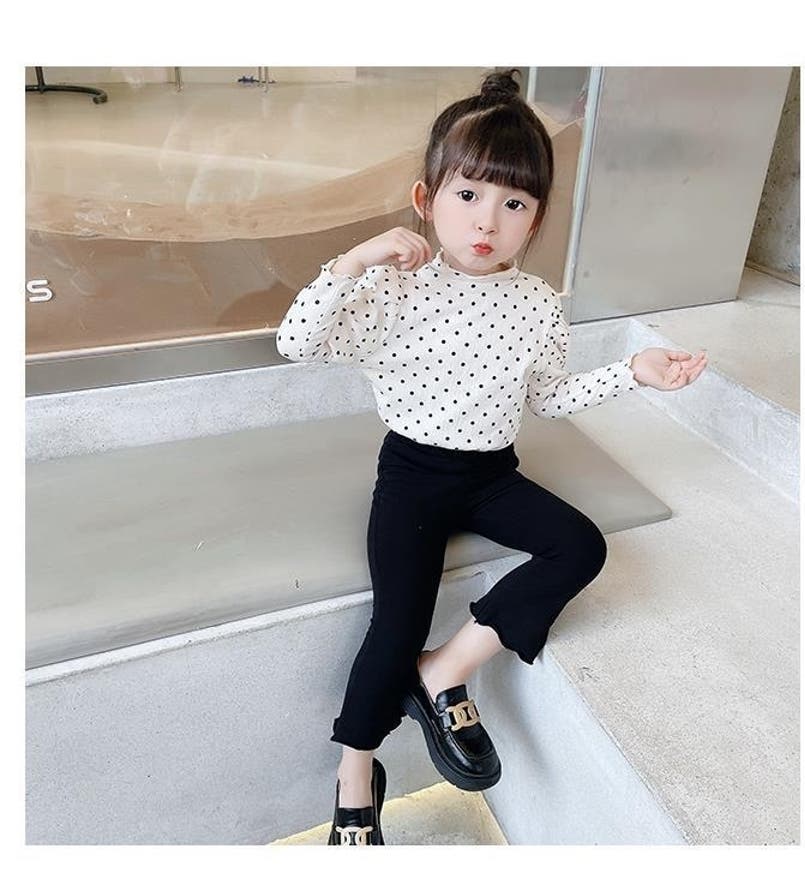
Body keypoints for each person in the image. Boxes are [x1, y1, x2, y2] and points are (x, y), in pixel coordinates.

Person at [275, 68, 708, 846]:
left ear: (536, 218)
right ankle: (355, 774)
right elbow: (296, 342)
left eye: (515, 204)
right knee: (395, 625)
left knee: (580, 545)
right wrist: (352, 262)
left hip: (490, 476)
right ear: (425, 198)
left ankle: (444, 670)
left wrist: (632, 373)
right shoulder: (393, 289)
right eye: (469, 194)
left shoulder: (538, 304)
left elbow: (547, 399)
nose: (488, 220)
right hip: (411, 478)